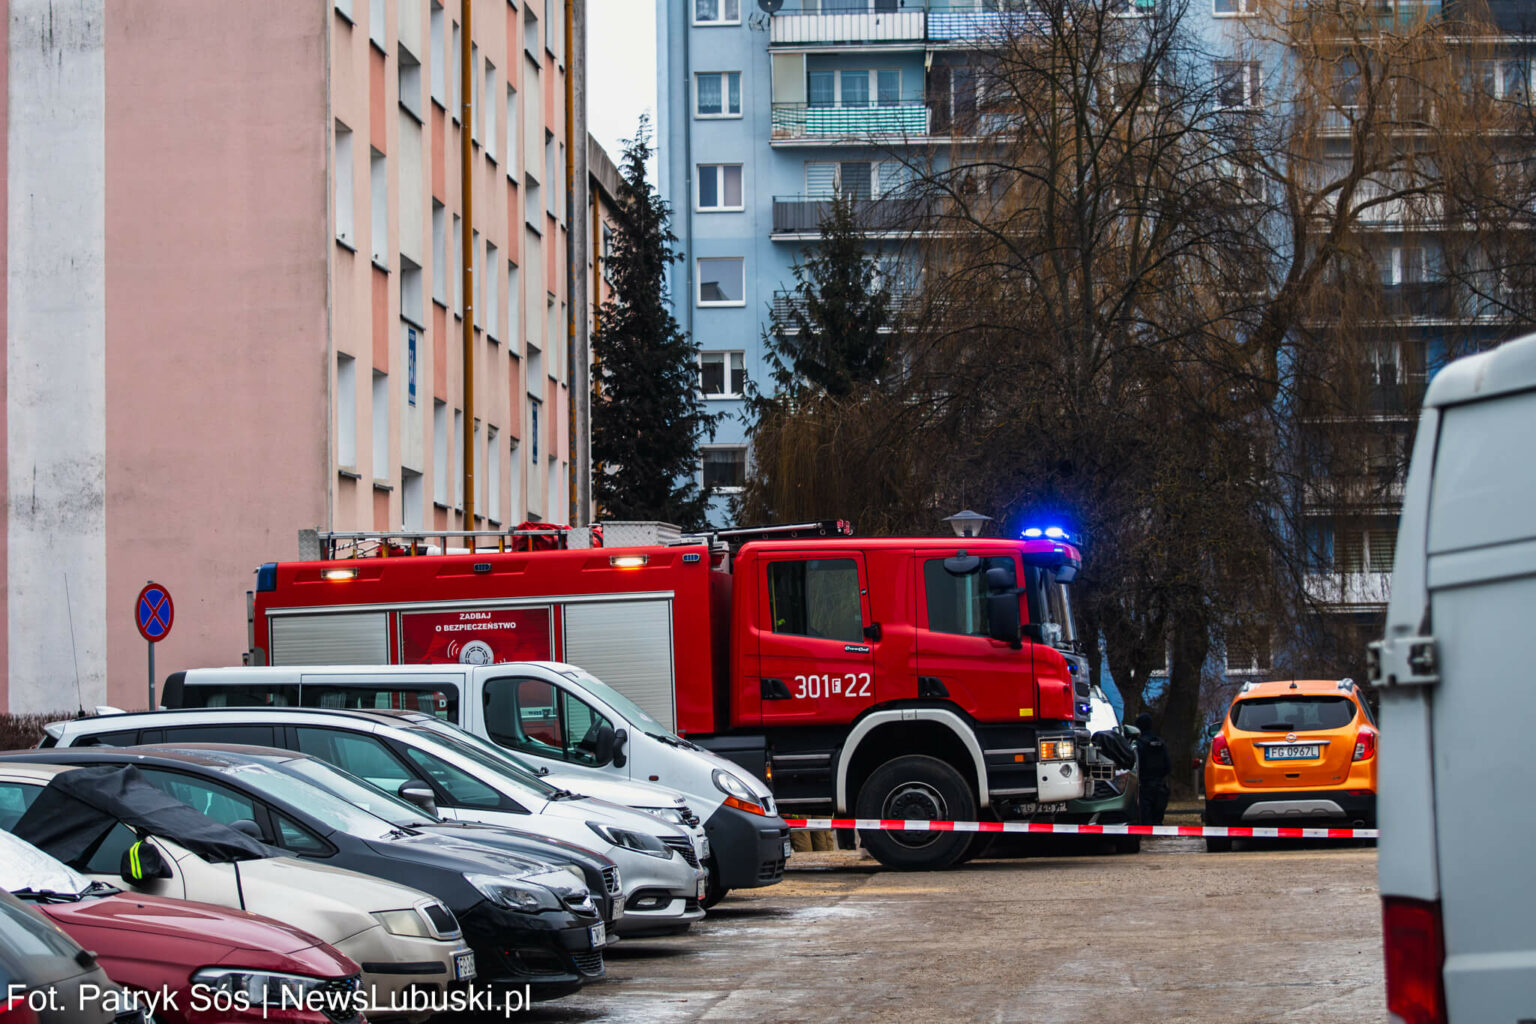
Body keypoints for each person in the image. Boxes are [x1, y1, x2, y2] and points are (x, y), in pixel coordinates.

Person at [1135, 712, 1172, 826]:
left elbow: (1136, 765)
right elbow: (1168, 765)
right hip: (1160, 785)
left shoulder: (1139, 744)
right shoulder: (1160, 743)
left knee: (1145, 819)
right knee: (1157, 819)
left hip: (1144, 785)